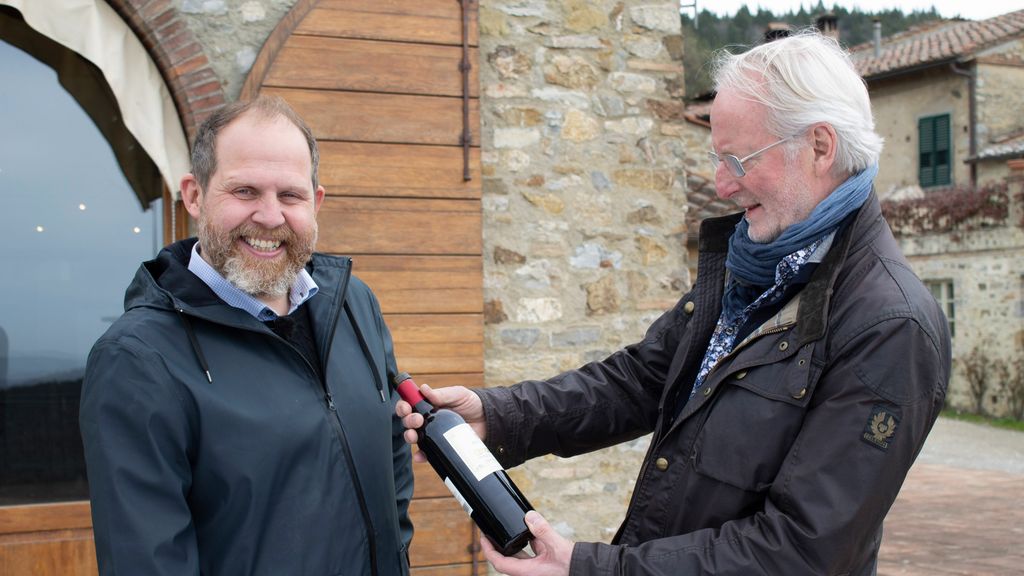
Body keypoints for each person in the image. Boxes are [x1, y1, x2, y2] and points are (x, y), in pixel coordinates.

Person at [398, 31, 951, 576]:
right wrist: (498, 417)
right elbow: (639, 380)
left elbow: (801, 552)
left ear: (820, 147)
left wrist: (590, 568)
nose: (721, 185)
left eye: (738, 160)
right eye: (716, 159)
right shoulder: (757, 266)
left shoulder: (890, 325)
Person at [80, 95, 413, 576]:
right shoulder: (137, 358)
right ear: (194, 195)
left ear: (316, 202)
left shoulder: (354, 303)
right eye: (245, 192)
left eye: (290, 195)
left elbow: (392, 458)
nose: (270, 216)